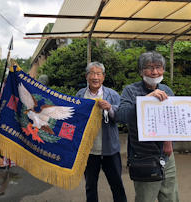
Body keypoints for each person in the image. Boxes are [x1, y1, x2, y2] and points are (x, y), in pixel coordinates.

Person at [115, 51, 179, 202]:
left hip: (166, 154)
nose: (155, 72)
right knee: (145, 198)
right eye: (149, 67)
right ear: (141, 71)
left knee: (171, 196)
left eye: (158, 67)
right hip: (142, 156)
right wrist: (144, 101)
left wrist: (168, 142)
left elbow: (172, 119)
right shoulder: (130, 90)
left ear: (163, 69)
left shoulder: (167, 90)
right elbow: (121, 116)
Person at [76, 62, 127, 202]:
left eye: (98, 74)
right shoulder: (81, 94)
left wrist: (110, 108)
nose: (95, 77)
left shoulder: (112, 95)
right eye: (92, 73)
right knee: (90, 185)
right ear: (86, 76)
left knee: (116, 183)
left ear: (103, 77)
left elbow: (121, 117)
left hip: (110, 149)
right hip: (89, 150)